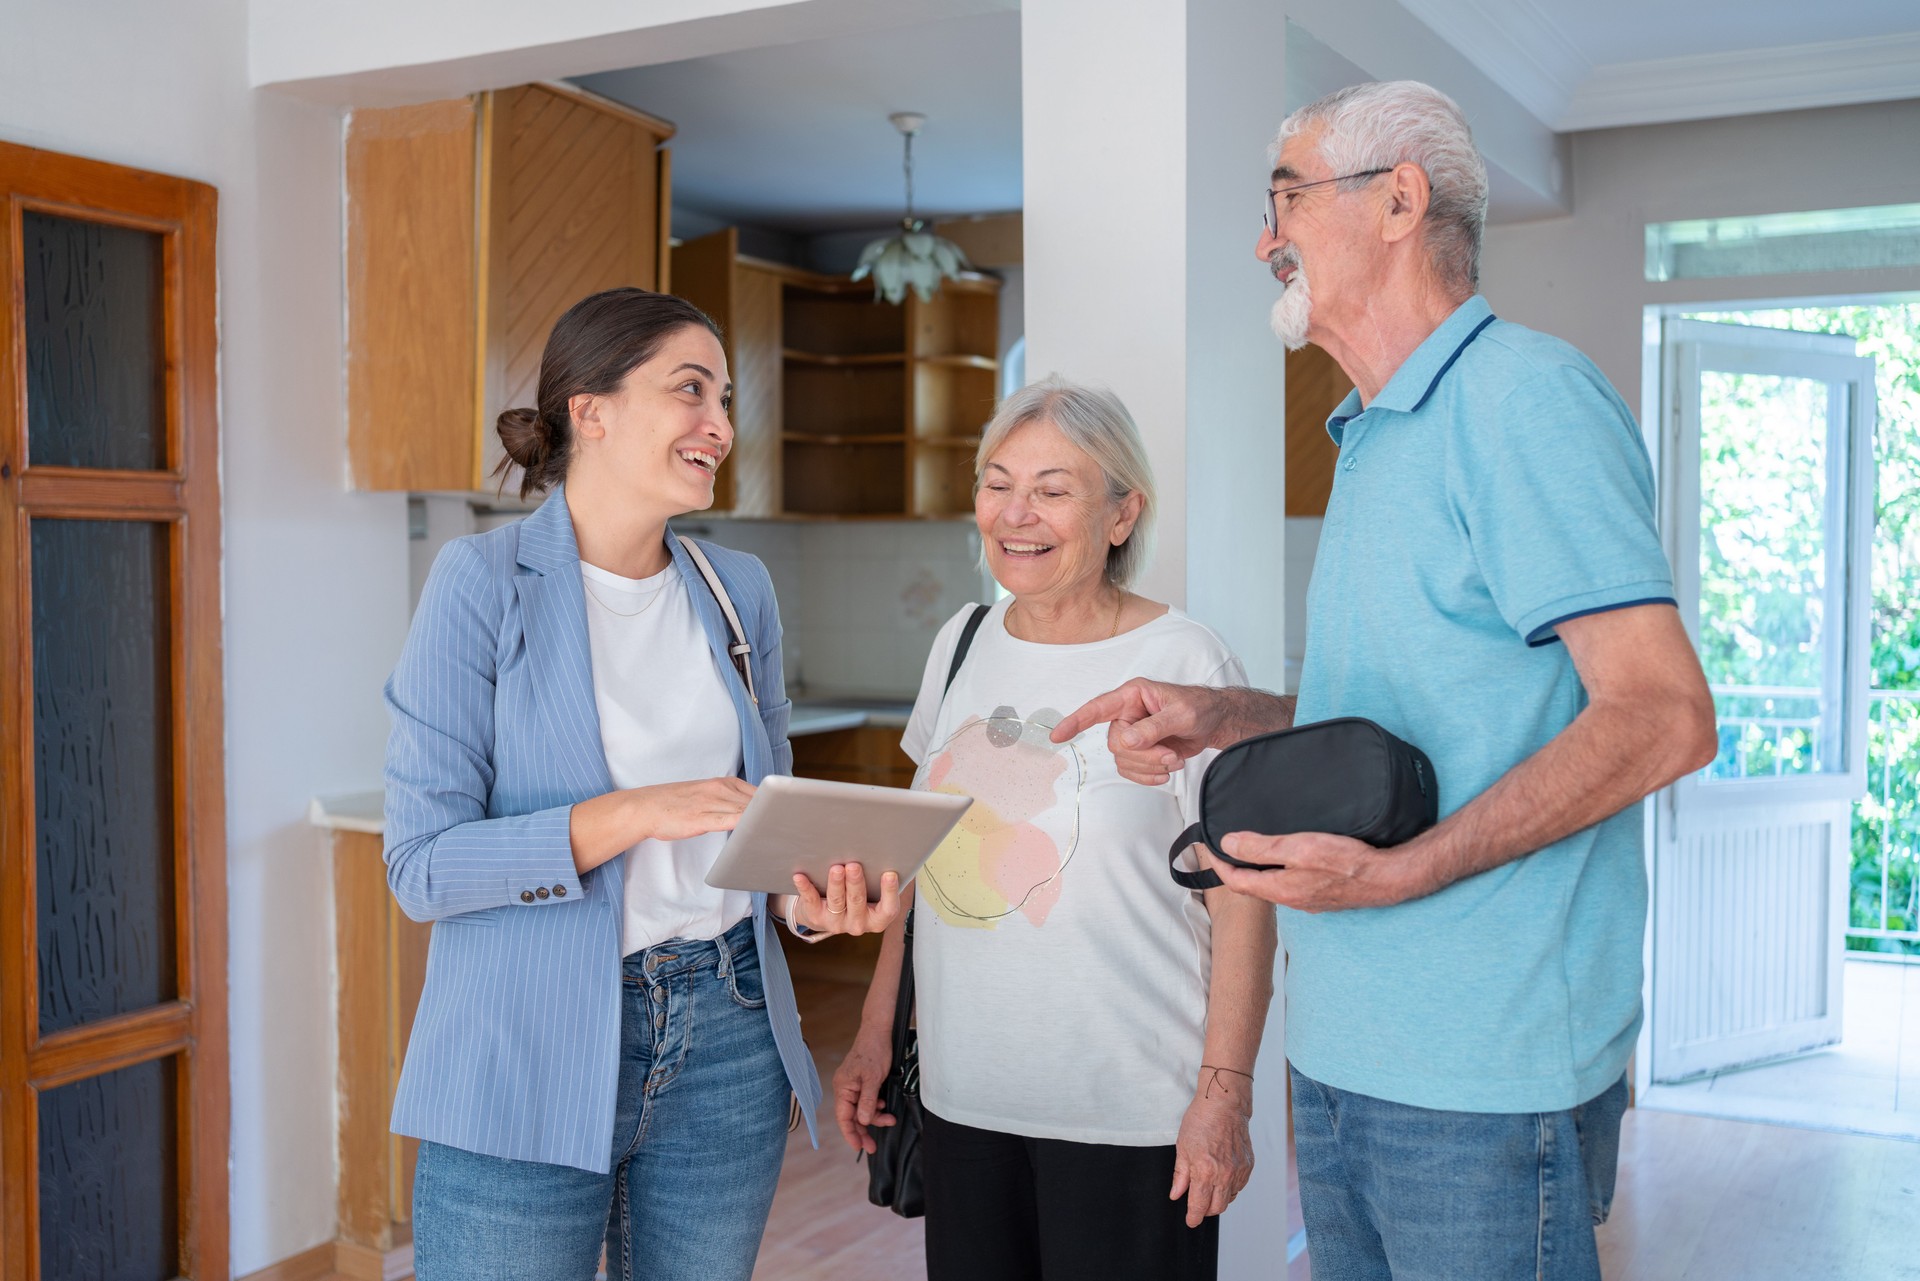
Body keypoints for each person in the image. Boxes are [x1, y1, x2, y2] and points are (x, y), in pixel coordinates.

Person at [1053, 82, 1719, 1281]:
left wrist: (1403, 872)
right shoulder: (1372, 429)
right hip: (1349, 1050)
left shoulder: (1522, 400)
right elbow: (1419, 716)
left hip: (1488, 1072)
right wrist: (1227, 718)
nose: (1268, 239)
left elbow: (1663, 717)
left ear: (1399, 200)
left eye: (1288, 200)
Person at [382, 287, 901, 1281]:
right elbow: (421, 866)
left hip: (726, 1029)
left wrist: (817, 902)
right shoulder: (480, 582)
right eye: (690, 392)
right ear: (593, 411)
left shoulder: (735, 586)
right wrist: (638, 814)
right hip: (528, 1035)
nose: (719, 426)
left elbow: (768, 826)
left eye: (725, 398)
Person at [833, 377, 1278, 1281]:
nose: (1015, 512)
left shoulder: (1186, 660)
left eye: (1052, 487)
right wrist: (878, 1027)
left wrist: (1224, 1098)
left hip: (1131, 1110)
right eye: (997, 482)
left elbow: (1244, 900)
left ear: (1123, 513)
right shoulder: (961, 640)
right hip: (966, 1101)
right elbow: (920, 858)